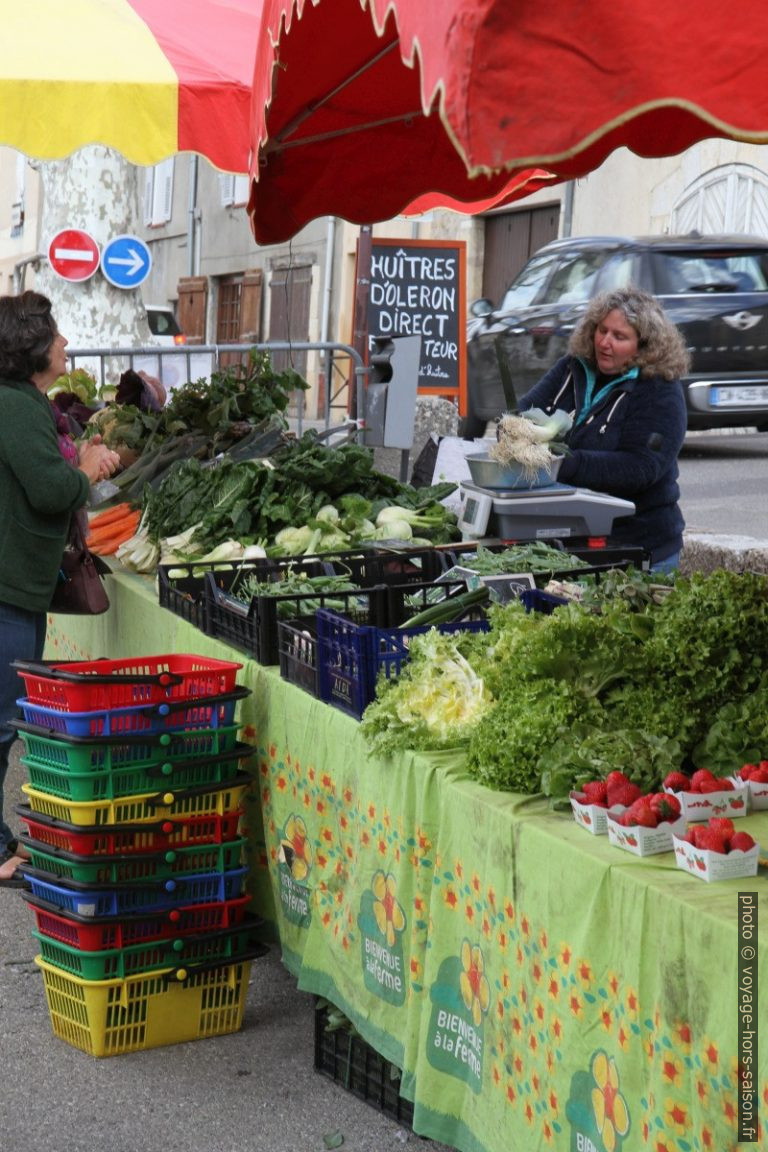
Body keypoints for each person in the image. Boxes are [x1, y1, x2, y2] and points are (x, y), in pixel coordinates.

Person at [0, 291, 121, 886]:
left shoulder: (22, 402)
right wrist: (86, 471)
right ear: (30, 349)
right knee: (1, 720)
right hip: (6, 588)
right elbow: (49, 489)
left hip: (12, 583)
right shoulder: (16, 406)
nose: (65, 344)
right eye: (56, 335)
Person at [517, 286, 690, 571]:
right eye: (602, 330)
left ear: (645, 346)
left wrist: (563, 463)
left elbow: (641, 467)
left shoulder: (660, 390)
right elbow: (523, 411)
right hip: (571, 542)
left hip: (638, 547)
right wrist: (512, 430)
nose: (605, 342)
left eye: (619, 336)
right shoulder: (572, 368)